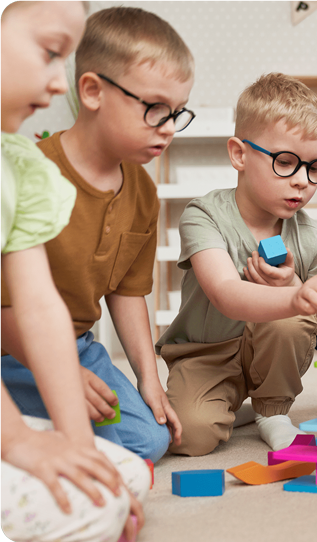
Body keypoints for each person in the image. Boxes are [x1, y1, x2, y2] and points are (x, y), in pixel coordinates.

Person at [1, 6, 195, 463]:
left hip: (78, 345)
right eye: (154, 109)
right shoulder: (32, 171)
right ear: (92, 91)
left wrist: (150, 380)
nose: (168, 129)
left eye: (177, 114)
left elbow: (128, 293)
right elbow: (15, 304)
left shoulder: (144, 191)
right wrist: (56, 370)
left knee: (150, 440)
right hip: (10, 345)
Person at [1, 2, 148, 540]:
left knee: (124, 477)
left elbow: (42, 309)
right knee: (82, 508)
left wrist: (79, 450)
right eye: (48, 53)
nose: (56, 84)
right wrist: (16, 440)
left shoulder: (18, 168)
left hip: (70, 349)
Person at [155, 73, 317, 456]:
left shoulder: (313, 237)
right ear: (239, 154)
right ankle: (233, 408)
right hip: (206, 352)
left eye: (314, 168)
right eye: (286, 163)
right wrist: (296, 296)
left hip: (271, 351)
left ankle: (272, 411)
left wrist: (295, 288)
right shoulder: (203, 215)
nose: (302, 182)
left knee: (292, 318)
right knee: (189, 437)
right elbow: (226, 293)